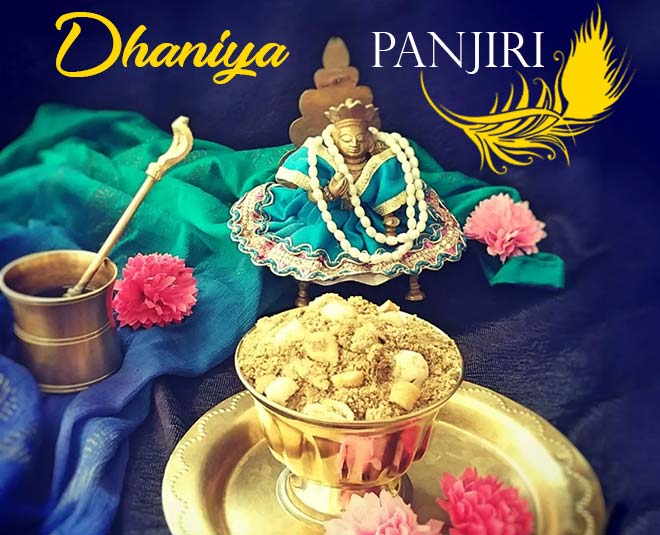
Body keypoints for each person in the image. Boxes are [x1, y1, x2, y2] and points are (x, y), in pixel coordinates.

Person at [229, 98, 464, 303]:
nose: (354, 144)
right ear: (334, 139)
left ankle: (409, 286)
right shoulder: (320, 158)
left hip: (370, 218)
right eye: (346, 139)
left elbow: (388, 193)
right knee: (313, 242)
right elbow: (312, 195)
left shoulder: (384, 161)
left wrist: (389, 218)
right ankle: (304, 289)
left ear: (370, 140)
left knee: (404, 243)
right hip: (325, 217)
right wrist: (329, 192)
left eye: (360, 139)